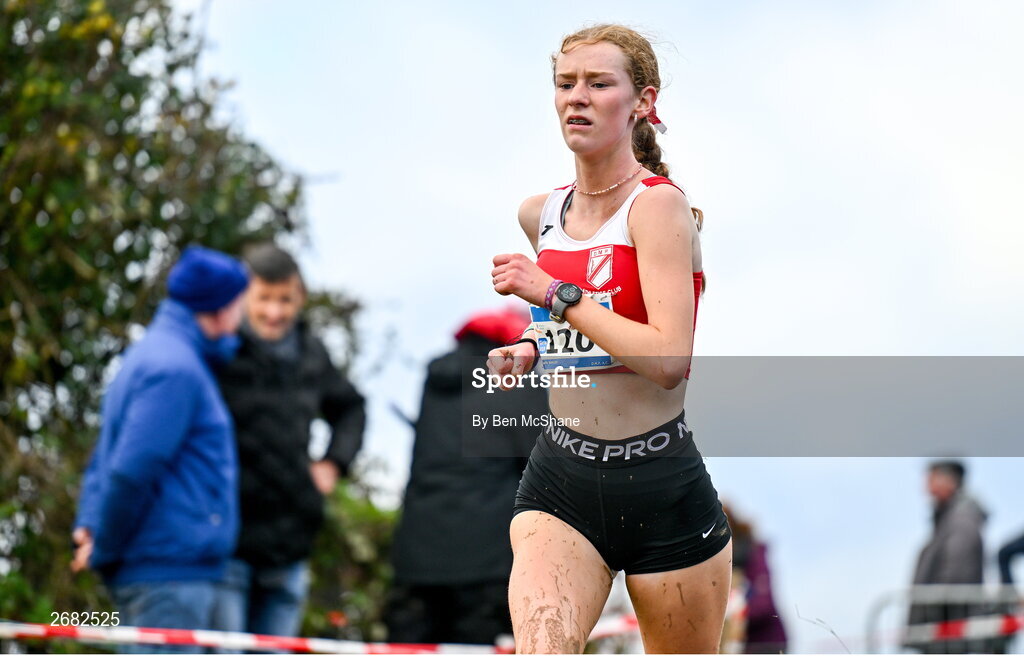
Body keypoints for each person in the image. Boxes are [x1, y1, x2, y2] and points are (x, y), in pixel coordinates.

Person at [487, 24, 732, 653]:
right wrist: (532, 347)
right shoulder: (538, 212)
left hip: (661, 482)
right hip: (561, 479)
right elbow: (578, 335)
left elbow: (667, 359)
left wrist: (553, 293)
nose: (577, 97)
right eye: (566, 84)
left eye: (599, 83)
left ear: (642, 102)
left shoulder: (657, 208)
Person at [72, 246, 249, 652]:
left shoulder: (152, 356)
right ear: (219, 308)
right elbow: (131, 469)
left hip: (162, 574)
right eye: (238, 304)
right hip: (167, 579)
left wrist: (90, 522)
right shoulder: (176, 369)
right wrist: (106, 547)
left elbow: (106, 454)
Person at [212, 243, 366, 638]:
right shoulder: (219, 350)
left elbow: (351, 408)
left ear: (300, 298)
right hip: (226, 542)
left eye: (286, 299)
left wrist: (334, 463)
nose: (275, 312)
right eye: (264, 298)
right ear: (243, 295)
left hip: (290, 543)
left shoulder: (311, 352)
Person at [386, 307, 545, 645]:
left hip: (417, 554)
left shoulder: (438, 379)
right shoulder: (516, 378)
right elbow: (540, 466)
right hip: (486, 563)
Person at [906, 460, 988, 654]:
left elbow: (956, 576)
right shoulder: (949, 521)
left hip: (949, 635)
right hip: (944, 633)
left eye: (931, 479)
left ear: (948, 482)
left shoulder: (960, 521)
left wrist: (932, 618)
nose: (926, 488)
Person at [723, 504, 787, 654]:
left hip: (766, 644)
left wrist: (734, 615)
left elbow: (764, 604)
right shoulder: (722, 563)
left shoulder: (753, 555)